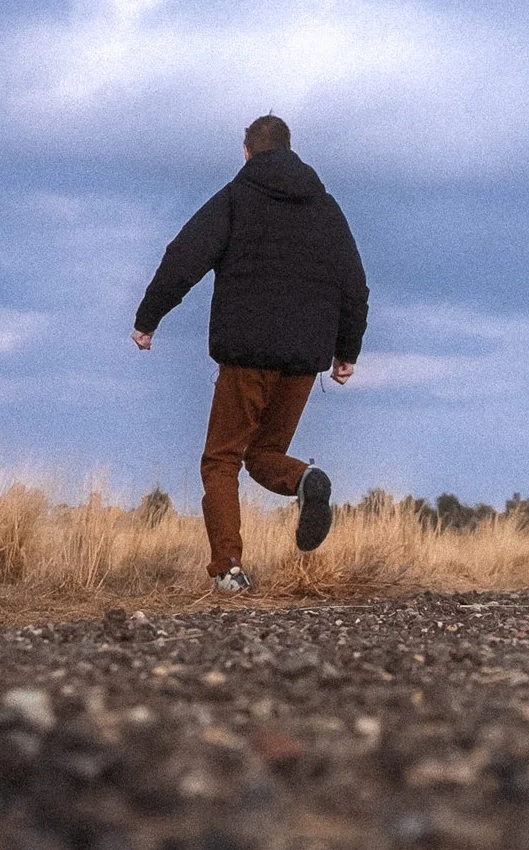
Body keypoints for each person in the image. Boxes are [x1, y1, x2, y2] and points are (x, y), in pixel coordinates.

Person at [133, 115, 368, 594]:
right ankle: (306, 477)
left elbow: (184, 257)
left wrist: (148, 318)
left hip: (246, 355)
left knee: (221, 459)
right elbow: (354, 284)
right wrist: (347, 351)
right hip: (304, 359)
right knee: (264, 454)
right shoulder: (326, 208)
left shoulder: (236, 198)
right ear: (289, 149)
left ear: (246, 153)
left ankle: (228, 570)